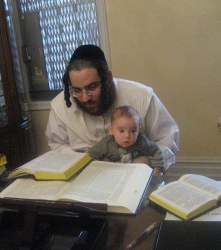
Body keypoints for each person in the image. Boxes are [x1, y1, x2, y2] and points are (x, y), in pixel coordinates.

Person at [46, 44, 179, 174]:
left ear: (108, 78)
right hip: (83, 176)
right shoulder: (60, 106)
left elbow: (167, 139)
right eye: (77, 90)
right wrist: (86, 161)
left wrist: (146, 161)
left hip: (137, 173)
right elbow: (57, 145)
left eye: (92, 87)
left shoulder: (142, 97)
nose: (85, 98)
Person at [88, 105, 165, 174]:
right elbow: (91, 155)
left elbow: (156, 151)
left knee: (143, 161)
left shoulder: (142, 142)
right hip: (113, 173)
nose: (127, 136)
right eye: (121, 131)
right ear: (111, 129)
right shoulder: (106, 144)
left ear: (138, 130)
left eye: (133, 131)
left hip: (135, 174)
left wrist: (157, 168)